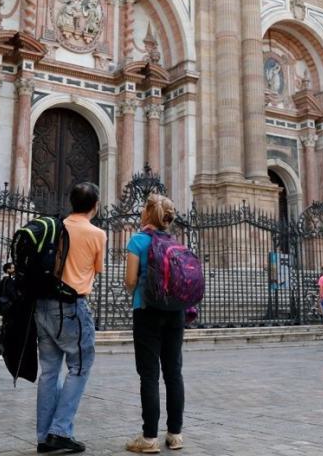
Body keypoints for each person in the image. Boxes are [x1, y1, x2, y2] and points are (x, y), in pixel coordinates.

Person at [35, 182, 105, 454]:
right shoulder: (96, 234)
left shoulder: (56, 227)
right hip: (71, 307)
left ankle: (43, 436)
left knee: (49, 372)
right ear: (95, 206)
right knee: (79, 368)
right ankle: (60, 432)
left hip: (43, 306)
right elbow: (97, 268)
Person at [124, 194, 186, 453]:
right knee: (173, 372)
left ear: (147, 214)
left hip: (147, 310)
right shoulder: (176, 244)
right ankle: (175, 435)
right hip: (175, 312)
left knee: (148, 374)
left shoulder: (138, 241)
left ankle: (149, 438)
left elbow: (129, 281)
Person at [0, 262, 17, 359]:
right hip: (10, 311)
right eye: (13, 268)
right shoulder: (7, 281)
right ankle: (0, 352)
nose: (15, 269)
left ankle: (2, 352)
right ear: (8, 270)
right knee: (6, 331)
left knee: (6, 331)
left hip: (7, 311)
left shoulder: (4, 281)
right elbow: (13, 296)